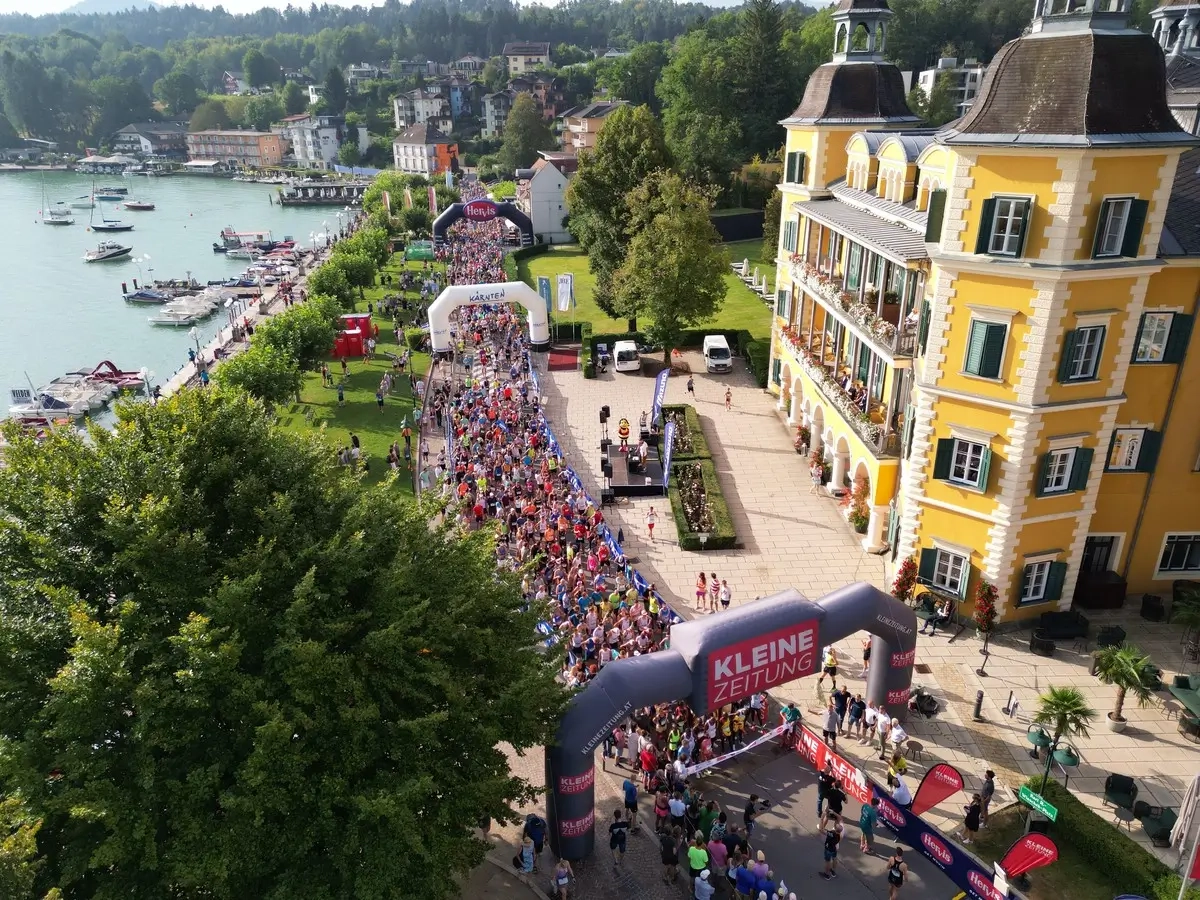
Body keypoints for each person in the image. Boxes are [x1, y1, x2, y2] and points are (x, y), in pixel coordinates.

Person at [819, 814, 842, 880]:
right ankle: (833, 871)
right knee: (834, 858)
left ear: (835, 829)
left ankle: (826, 874)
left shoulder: (832, 833)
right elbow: (840, 818)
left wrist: (821, 819)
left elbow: (821, 830)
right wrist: (834, 813)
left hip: (828, 849)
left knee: (827, 861)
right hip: (834, 849)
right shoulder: (839, 835)